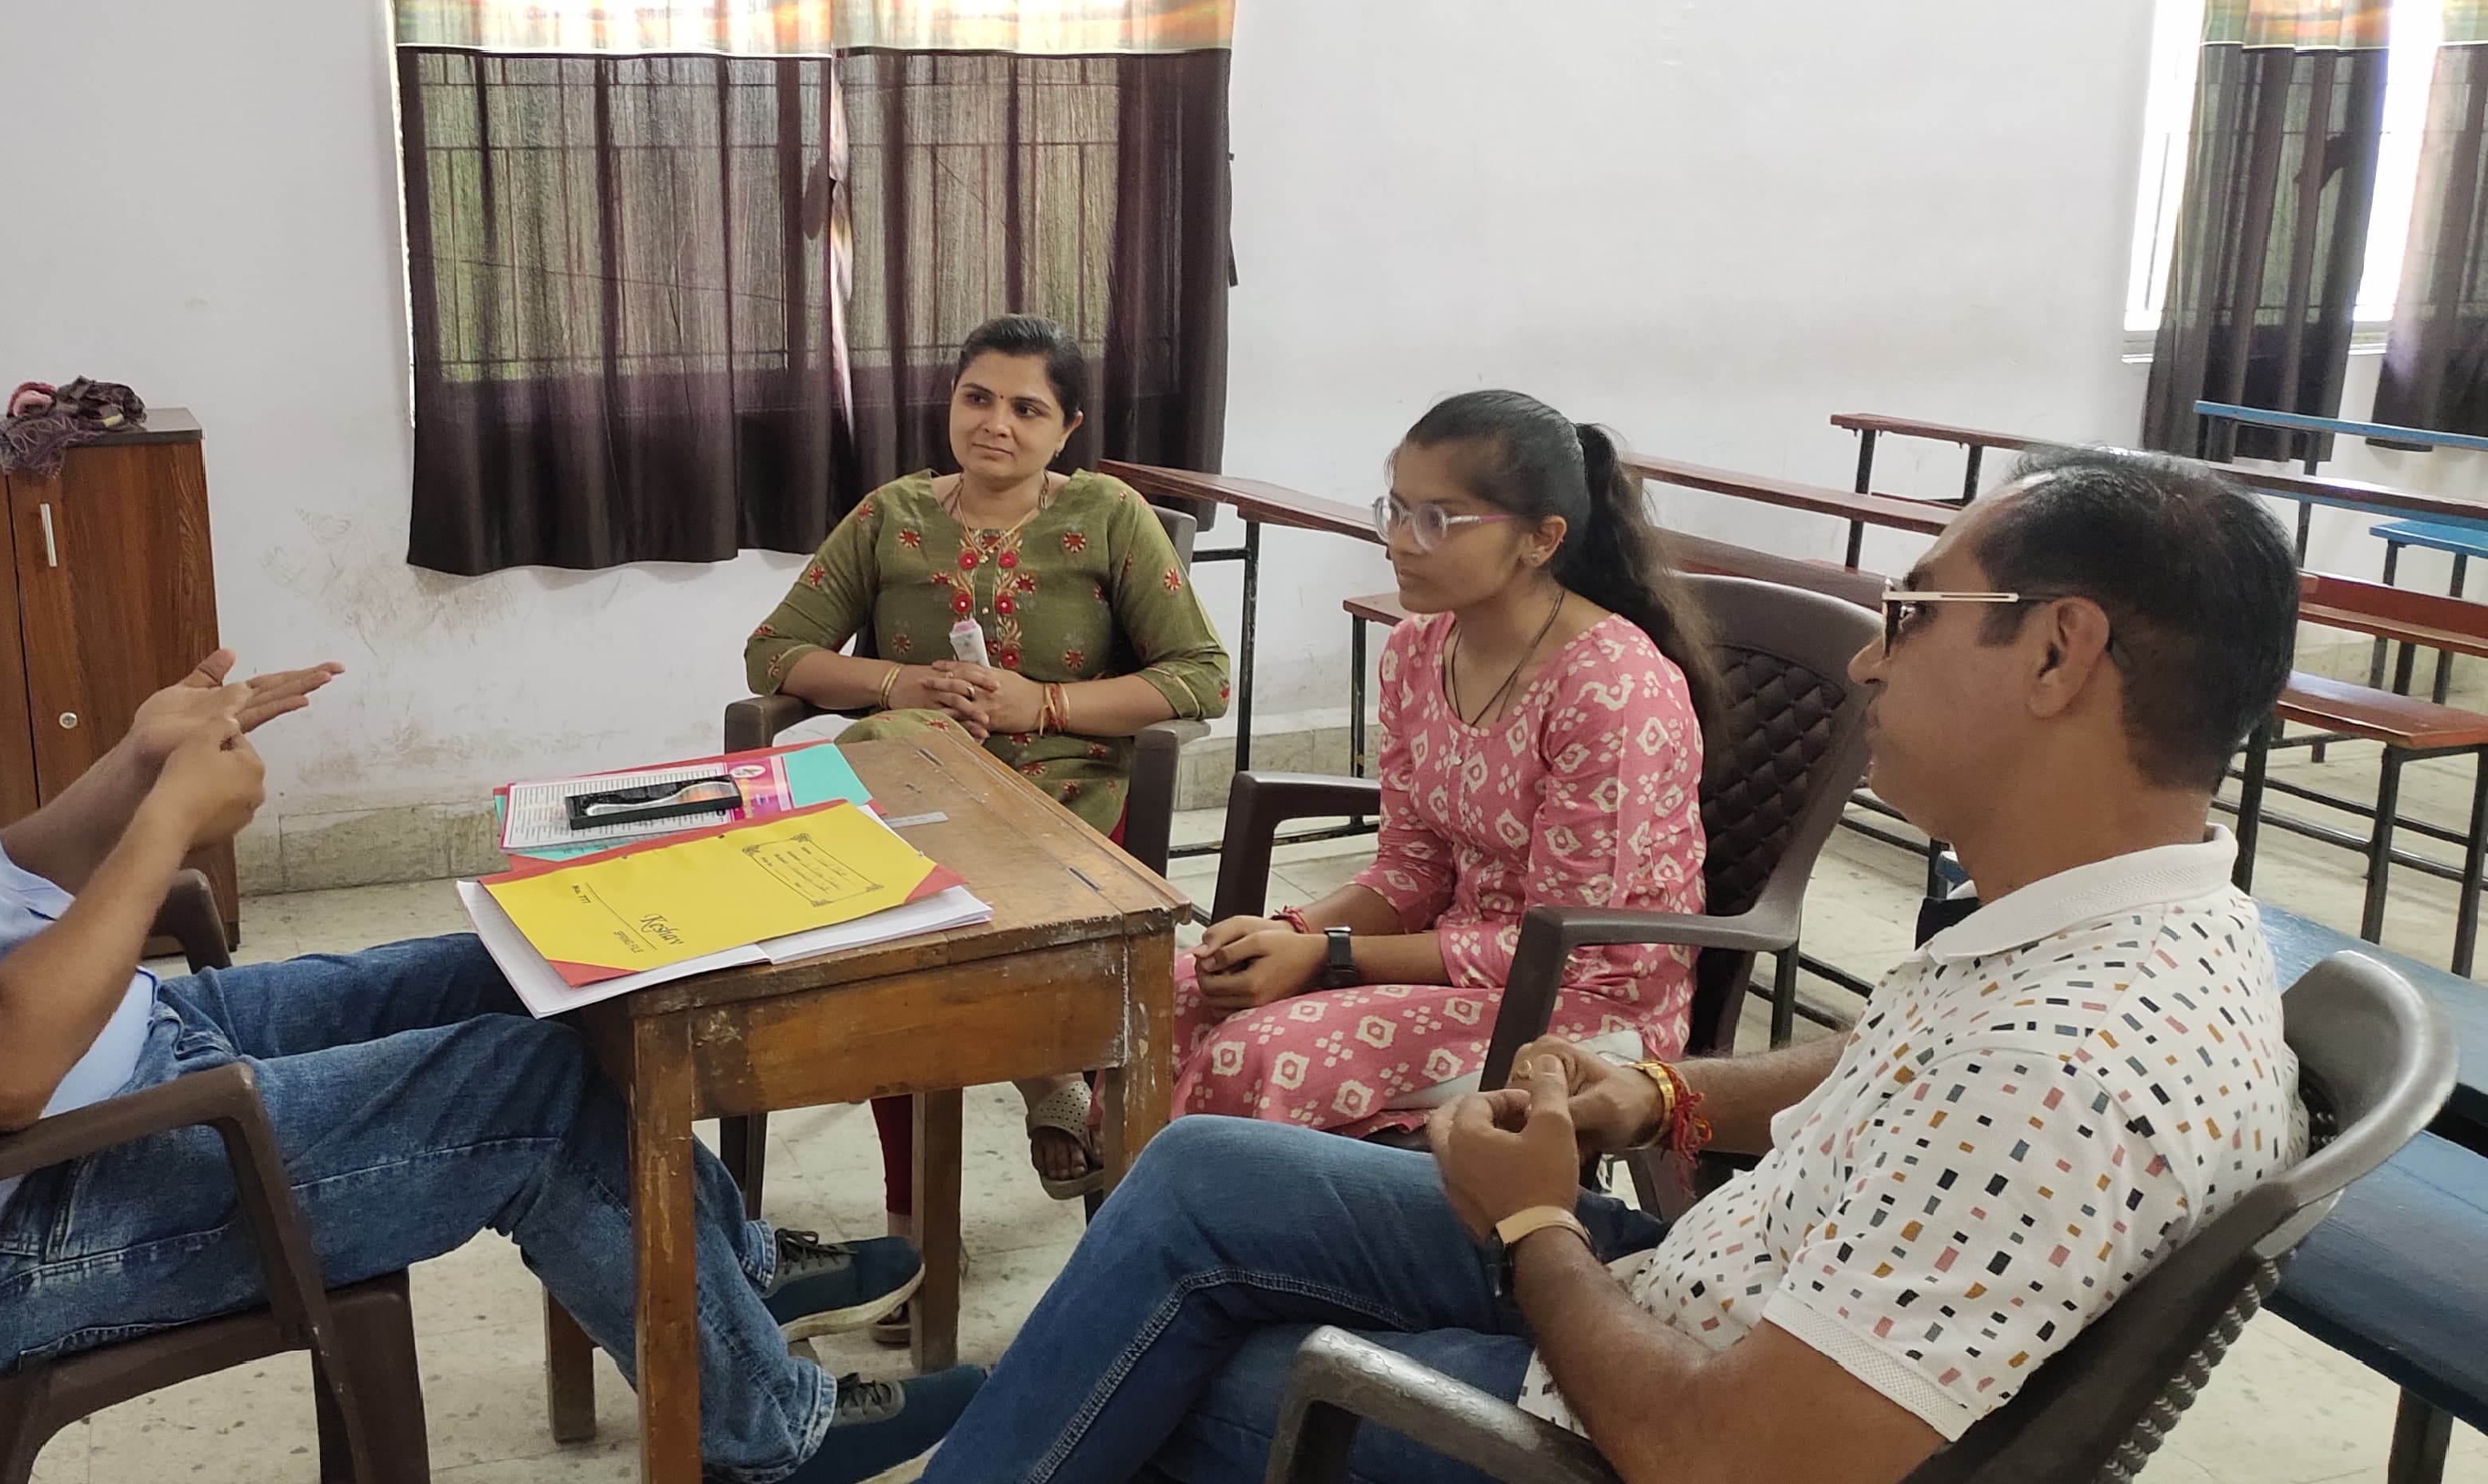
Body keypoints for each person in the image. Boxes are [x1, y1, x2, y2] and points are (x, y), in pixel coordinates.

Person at [0, 332, 979, 1484]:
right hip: (22, 1221)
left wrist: (132, 765)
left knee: (530, 965)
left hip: (114, 1075)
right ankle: (765, 1435)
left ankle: (724, 1274)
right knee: (533, 1091)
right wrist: (169, 827)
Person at [915, 445, 2309, 1484]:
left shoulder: (2061, 1070)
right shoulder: (2123, 926)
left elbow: (1723, 1461)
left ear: (2060, 654)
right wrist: (1658, 1097)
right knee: (1198, 1180)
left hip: (1631, 1412)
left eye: (1917, 612)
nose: (1871, 667)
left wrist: (1537, 1225)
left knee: (1171, 1367)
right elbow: (1893, 1059)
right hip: (1697, 1287)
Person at [744, 316, 1231, 1275]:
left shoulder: (1107, 514)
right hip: (911, 785)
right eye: (977, 397)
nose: (995, 424)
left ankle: (929, 1219)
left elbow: (1201, 675)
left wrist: (1042, 701)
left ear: (1067, 427)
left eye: (1026, 408)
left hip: (1065, 796)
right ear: (950, 400)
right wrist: (900, 683)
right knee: (886, 911)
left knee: (897, 914)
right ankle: (1019, 1101)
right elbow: (774, 652)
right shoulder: (889, 516)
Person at [1177, 391, 1717, 1138]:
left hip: (1584, 1002)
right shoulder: (1418, 650)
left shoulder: (1610, 689)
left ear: (1540, 539)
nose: (1400, 542)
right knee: (1178, 991)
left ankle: (1256, 1212)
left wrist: (1327, 954)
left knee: (1259, 1054)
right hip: (1461, 955)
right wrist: (1291, 931)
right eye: (1395, 512)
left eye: (1436, 520)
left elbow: (1558, 940)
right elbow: (1413, 867)